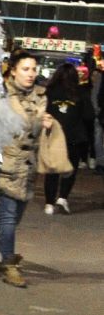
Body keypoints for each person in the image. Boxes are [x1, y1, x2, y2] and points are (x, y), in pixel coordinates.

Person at [0, 51, 49, 288]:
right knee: (6, 217)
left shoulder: (40, 95)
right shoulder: (2, 95)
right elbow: (14, 126)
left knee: (13, 218)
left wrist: (43, 123)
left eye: (33, 69)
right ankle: (9, 265)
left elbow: (34, 130)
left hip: (29, 166)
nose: (30, 74)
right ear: (13, 70)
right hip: (6, 164)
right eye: (25, 69)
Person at [42, 63, 92, 214]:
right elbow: (89, 115)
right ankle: (62, 197)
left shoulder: (49, 92)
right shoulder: (80, 93)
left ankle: (49, 203)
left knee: (51, 170)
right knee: (69, 168)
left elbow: (43, 112)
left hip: (53, 135)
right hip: (74, 137)